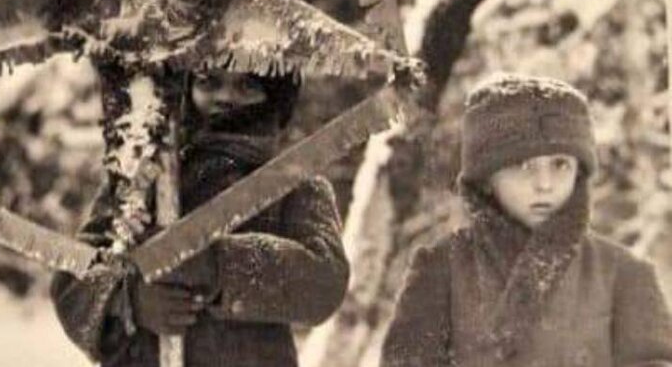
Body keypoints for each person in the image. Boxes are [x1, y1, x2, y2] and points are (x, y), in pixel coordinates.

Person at [52, 69, 350, 367]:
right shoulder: (140, 179)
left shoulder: (294, 184)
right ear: (185, 89)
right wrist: (129, 302)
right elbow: (73, 281)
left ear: (274, 96)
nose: (225, 97)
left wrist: (215, 265)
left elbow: (324, 283)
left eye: (248, 85)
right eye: (209, 82)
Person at [382, 73, 672, 367]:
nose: (544, 184)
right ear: (486, 179)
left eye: (560, 164)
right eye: (523, 165)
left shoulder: (623, 274)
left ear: (579, 172)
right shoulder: (442, 269)